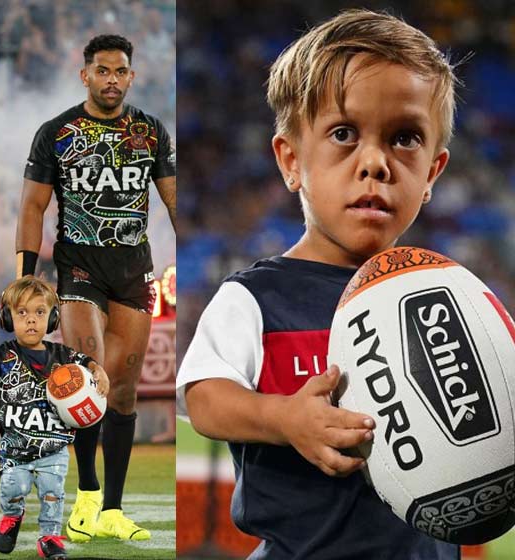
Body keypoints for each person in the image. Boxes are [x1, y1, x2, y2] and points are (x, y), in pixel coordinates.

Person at [177, 9, 460, 560]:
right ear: (291, 161)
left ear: (432, 173)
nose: (375, 162)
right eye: (344, 134)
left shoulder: (445, 299)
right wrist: (282, 417)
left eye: (405, 138)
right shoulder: (256, 296)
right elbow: (203, 396)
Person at [17, 34, 176, 542]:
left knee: (124, 393)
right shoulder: (57, 132)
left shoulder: (151, 132)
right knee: (88, 376)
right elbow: (32, 207)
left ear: (131, 76)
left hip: (133, 271)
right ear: (84, 74)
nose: (112, 79)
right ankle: (84, 495)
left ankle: (111, 508)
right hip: (78, 267)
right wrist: (26, 275)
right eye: (102, 70)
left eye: (120, 71)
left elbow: (174, 200)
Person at [0, 275, 109, 560]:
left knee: (53, 495)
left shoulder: (63, 356)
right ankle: (12, 515)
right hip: (15, 450)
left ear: (53, 318)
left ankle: (50, 538)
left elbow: (87, 362)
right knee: (13, 489)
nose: (31, 320)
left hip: (54, 448)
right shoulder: (1, 356)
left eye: (40, 312)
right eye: (22, 313)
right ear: (8, 318)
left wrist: (98, 370)